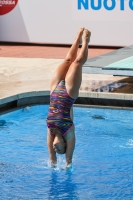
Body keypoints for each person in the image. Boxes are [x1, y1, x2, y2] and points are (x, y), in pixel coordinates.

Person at [46, 28, 91, 169]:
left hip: (54, 91)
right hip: (68, 93)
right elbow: (69, 162)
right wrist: (67, 166)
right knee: (77, 62)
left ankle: (77, 38)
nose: (55, 149)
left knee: (67, 60)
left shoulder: (51, 132)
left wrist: (53, 164)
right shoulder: (69, 132)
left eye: (55, 150)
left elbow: (52, 159)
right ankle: (86, 41)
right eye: (60, 150)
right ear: (65, 144)